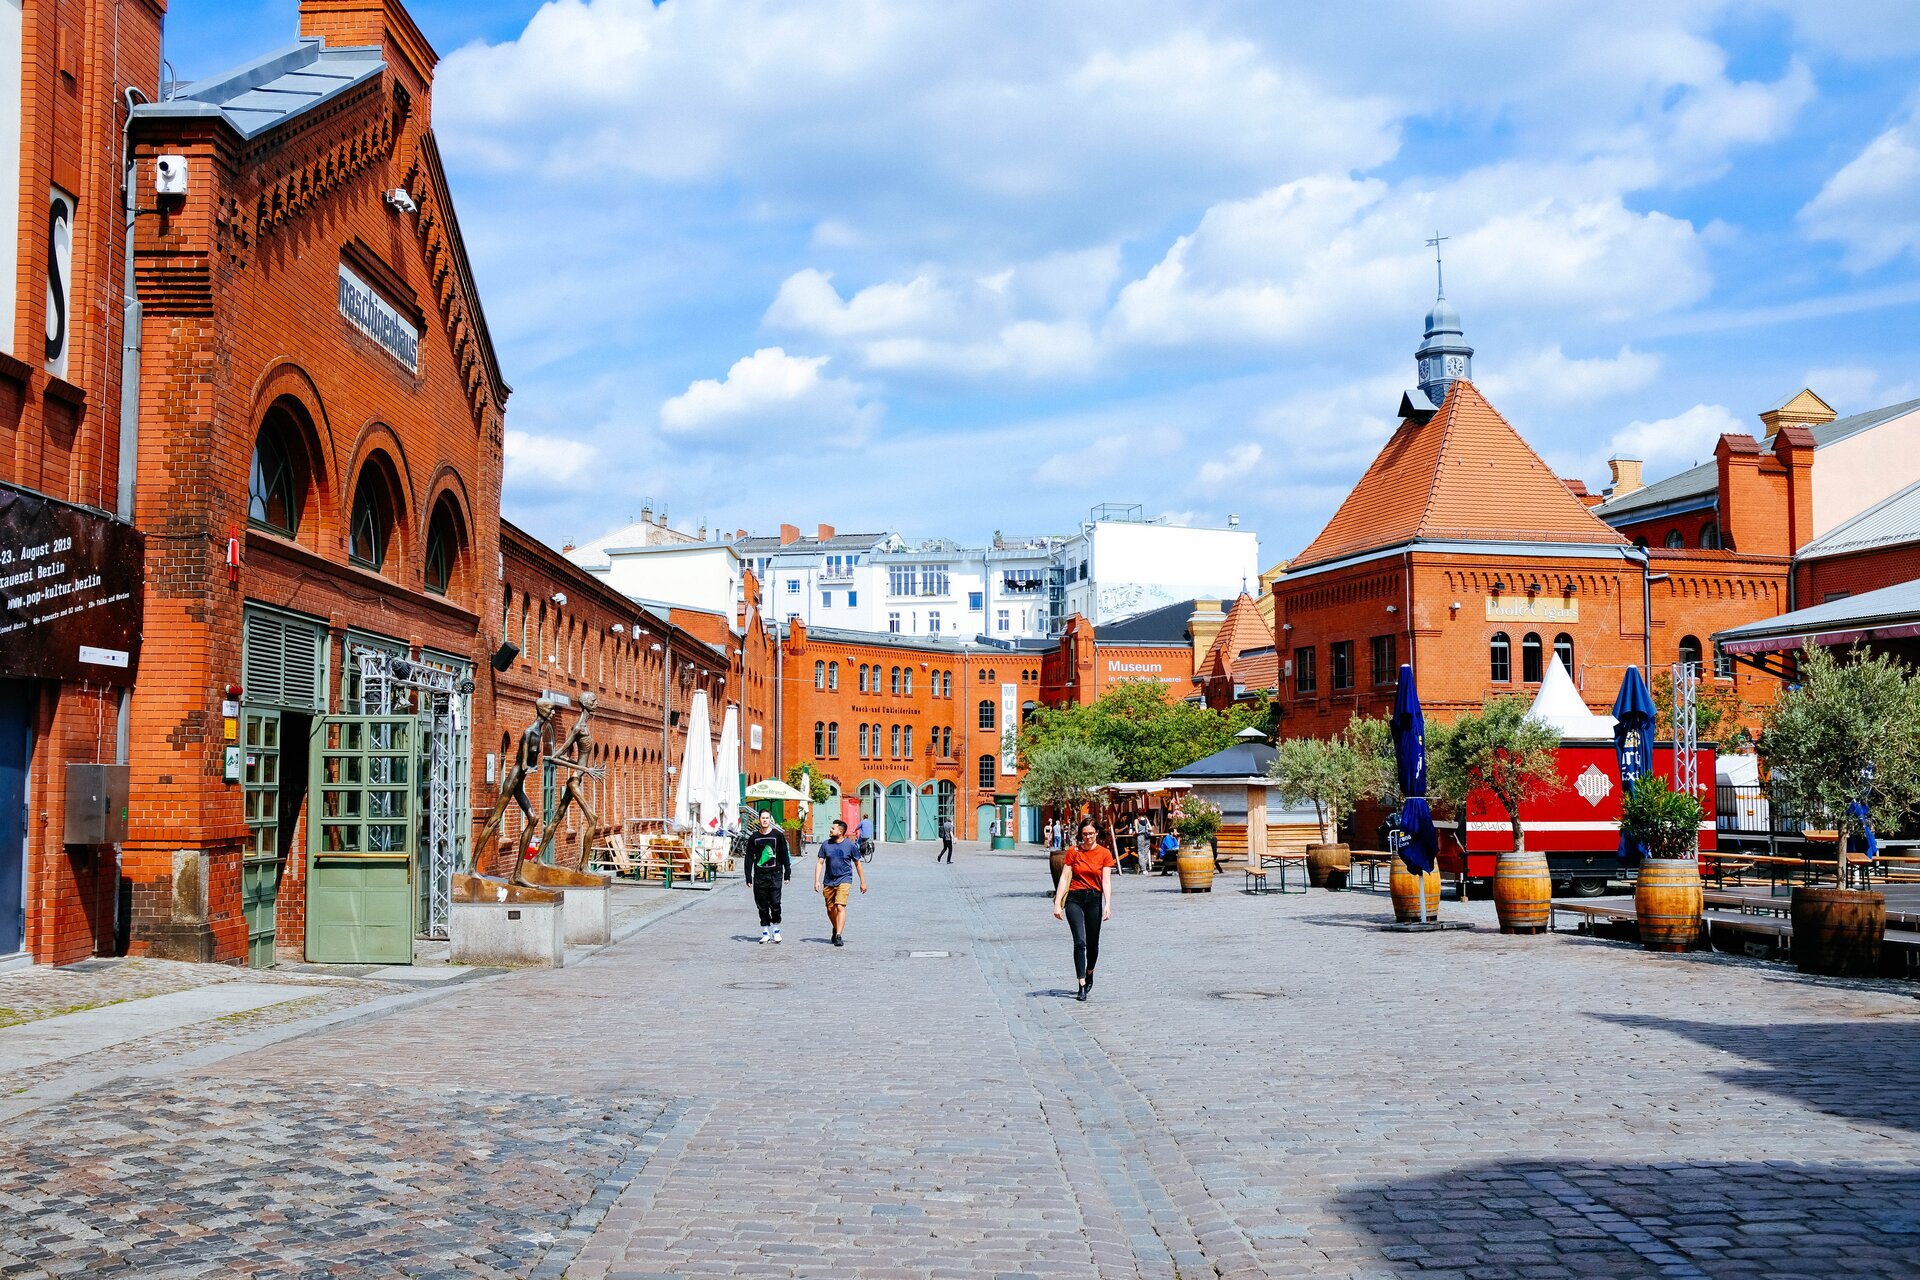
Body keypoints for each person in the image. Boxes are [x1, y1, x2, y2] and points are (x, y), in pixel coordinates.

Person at [1051, 818, 1114, 1002]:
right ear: (1081, 834)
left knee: (1093, 945)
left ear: (1097, 834)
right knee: (1080, 942)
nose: (1087, 837)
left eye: (1091, 834)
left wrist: (1108, 904)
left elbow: (1106, 881)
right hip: (1074, 899)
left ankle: (1090, 972)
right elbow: (1064, 878)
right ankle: (1081, 984)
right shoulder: (1073, 852)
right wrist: (1057, 903)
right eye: (1085, 834)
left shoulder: (1104, 854)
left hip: (1094, 899)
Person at [815, 818, 868, 946]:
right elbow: (820, 862)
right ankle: (835, 927)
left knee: (840, 906)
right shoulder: (826, 845)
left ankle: (838, 935)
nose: (830, 830)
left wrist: (863, 882)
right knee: (829, 909)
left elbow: (857, 864)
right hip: (829, 880)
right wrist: (816, 880)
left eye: (833, 828)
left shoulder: (850, 846)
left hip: (844, 879)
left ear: (840, 831)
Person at [744, 809, 791, 943]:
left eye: (767, 818)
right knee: (762, 905)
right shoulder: (754, 837)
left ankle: (776, 929)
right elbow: (748, 857)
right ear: (759, 820)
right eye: (762, 818)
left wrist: (787, 873)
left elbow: (784, 855)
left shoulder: (778, 835)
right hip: (760, 875)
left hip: (775, 874)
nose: (765, 820)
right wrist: (748, 875)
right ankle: (765, 931)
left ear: (770, 820)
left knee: (775, 903)